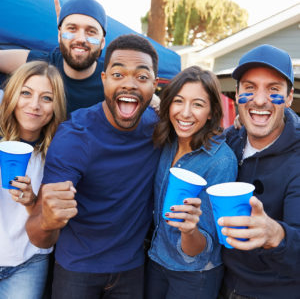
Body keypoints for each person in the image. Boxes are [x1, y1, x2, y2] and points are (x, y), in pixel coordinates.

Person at [25, 34, 160, 299]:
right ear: (104, 79)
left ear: (155, 85)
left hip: (132, 269)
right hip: (76, 269)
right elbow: (38, 235)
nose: (130, 84)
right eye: (118, 74)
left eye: (142, 77)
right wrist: (49, 221)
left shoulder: (160, 129)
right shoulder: (75, 135)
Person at [145, 66, 237, 299]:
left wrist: (189, 230)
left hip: (194, 275)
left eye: (197, 104)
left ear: (211, 112)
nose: (185, 113)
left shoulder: (221, 161)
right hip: (156, 259)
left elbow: (203, 248)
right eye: (178, 101)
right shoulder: (167, 141)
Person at [218, 44, 300, 298]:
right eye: (249, 88)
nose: (260, 100)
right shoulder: (228, 144)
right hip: (219, 285)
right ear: (237, 93)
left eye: (273, 89)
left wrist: (277, 235)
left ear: (289, 97)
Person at [0, 61, 66, 299]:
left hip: (28, 263)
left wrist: (31, 201)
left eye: (46, 98)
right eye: (26, 93)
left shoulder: (58, 156)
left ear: (55, 106)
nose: (34, 105)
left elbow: (53, 226)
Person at [0, 0, 106, 113]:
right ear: (59, 36)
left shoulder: (113, 78)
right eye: (72, 29)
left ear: (102, 42)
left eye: (91, 31)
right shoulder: (44, 63)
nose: (81, 39)